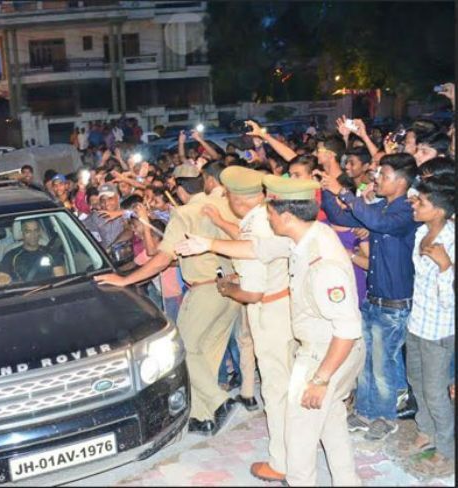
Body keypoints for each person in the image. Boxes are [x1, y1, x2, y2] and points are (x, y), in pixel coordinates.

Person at [176, 176, 365, 485]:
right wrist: (207, 243)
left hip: (325, 353)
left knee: (300, 436)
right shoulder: (307, 235)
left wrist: (319, 379)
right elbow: (258, 249)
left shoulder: (324, 264)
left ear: (287, 216)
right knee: (331, 421)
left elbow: (347, 330)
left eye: (271, 213)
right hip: (324, 350)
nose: (268, 217)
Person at [96, 163, 242, 436]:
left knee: (183, 350)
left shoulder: (184, 213)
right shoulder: (222, 204)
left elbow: (162, 257)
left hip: (205, 290)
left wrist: (126, 280)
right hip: (231, 288)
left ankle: (221, 402)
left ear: (179, 189)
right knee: (206, 355)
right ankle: (203, 417)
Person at [204, 166, 296, 482]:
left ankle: (282, 463)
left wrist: (228, 287)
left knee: (275, 389)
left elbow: (253, 292)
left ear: (236, 198)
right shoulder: (265, 217)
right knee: (286, 384)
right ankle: (296, 450)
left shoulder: (256, 226)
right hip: (284, 305)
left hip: (268, 313)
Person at [320, 153, 420, 440]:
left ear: (401, 182)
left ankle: (385, 418)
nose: (377, 179)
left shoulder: (405, 213)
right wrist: (329, 192)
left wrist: (345, 193)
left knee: (383, 363)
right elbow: (341, 216)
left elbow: (377, 222)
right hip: (374, 299)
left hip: (394, 302)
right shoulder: (383, 209)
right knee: (365, 361)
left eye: (384, 175)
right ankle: (364, 412)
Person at [404, 177, 454, 471]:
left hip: (440, 329)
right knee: (417, 382)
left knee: (436, 392)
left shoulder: (451, 241)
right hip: (418, 322)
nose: (414, 204)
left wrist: (446, 266)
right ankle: (427, 432)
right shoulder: (420, 232)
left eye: (421, 202)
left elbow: (450, 301)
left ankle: (447, 450)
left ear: (439, 210)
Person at [0, 219, 66, 286]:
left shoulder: (51, 253)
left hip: (47, 293)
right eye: (28, 231)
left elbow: (60, 279)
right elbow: (1, 281)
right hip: (23, 296)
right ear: (22, 233)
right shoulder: (11, 255)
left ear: (39, 232)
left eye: (35, 231)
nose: (33, 235)